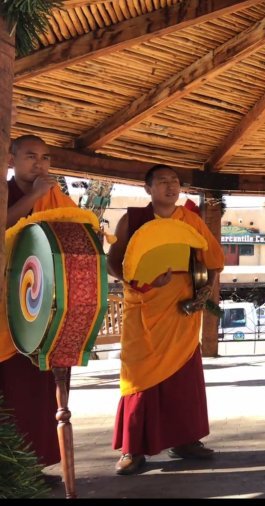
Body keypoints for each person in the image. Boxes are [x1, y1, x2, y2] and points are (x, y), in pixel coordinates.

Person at [107, 164, 224, 475]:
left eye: (175, 182)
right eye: (162, 182)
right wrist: (141, 281)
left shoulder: (191, 220)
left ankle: (185, 440)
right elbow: (113, 263)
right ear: (148, 188)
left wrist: (204, 293)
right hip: (143, 306)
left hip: (181, 306)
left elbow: (212, 261)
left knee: (183, 376)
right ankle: (133, 448)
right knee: (138, 377)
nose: (170, 187)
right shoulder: (132, 219)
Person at [0, 134, 77, 485]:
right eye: (31, 156)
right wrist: (31, 197)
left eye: (45, 158)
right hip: (4, 303)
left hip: (40, 306)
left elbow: (74, 237)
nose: (40, 164)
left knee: (35, 391)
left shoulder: (57, 198)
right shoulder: (8, 192)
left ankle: (33, 466)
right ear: (11, 158)